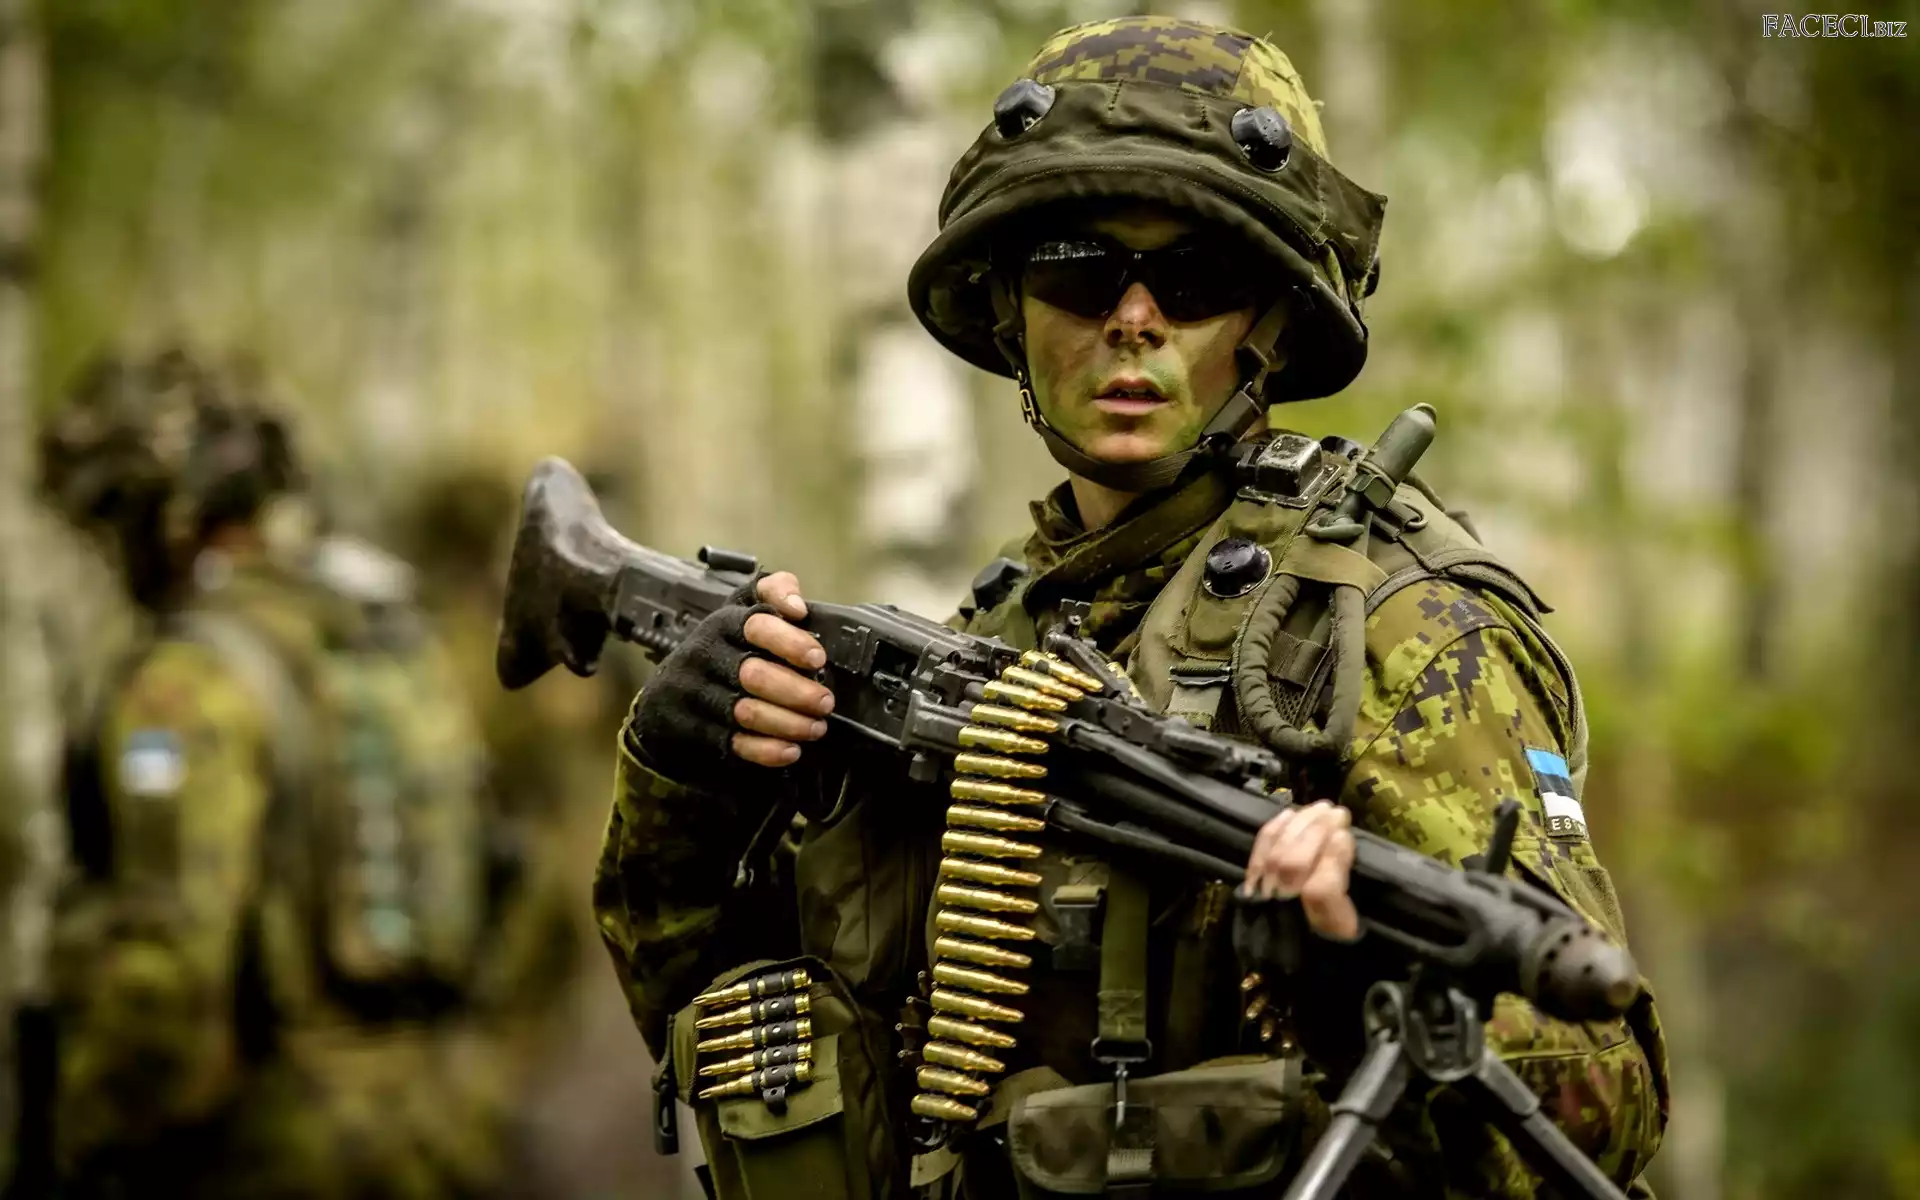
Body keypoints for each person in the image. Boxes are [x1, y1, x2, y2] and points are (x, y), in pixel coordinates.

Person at [594, 17, 1669, 1199]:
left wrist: (1353, 998)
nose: (1135, 318)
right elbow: (747, 1057)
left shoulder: (1394, 632)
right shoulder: (1000, 630)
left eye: (1196, 279)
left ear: (1268, 322)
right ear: (1008, 310)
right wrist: (674, 782)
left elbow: (1599, 1103)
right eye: (1076, 269)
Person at [36, 349, 507, 1199]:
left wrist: (85, 1140)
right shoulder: (375, 628)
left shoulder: (187, 681)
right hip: (432, 1120)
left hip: (277, 1147)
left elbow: (168, 969)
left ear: (163, 516)